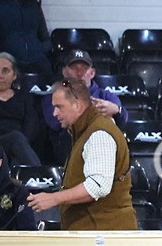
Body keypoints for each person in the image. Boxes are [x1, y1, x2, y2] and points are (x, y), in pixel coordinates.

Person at [27, 78, 137, 230]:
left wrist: (54, 198)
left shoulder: (99, 133)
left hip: (103, 235)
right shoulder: (85, 131)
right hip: (95, 232)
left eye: (59, 107)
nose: (55, 113)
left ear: (77, 105)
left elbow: (98, 186)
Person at [41, 50, 127, 164]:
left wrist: (117, 110)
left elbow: (122, 121)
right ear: (65, 72)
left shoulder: (105, 96)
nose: (80, 73)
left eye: (84, 68)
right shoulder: (55, 95)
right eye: (74, 68)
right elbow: (54, 123)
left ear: (92, 73)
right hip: (67, 148)